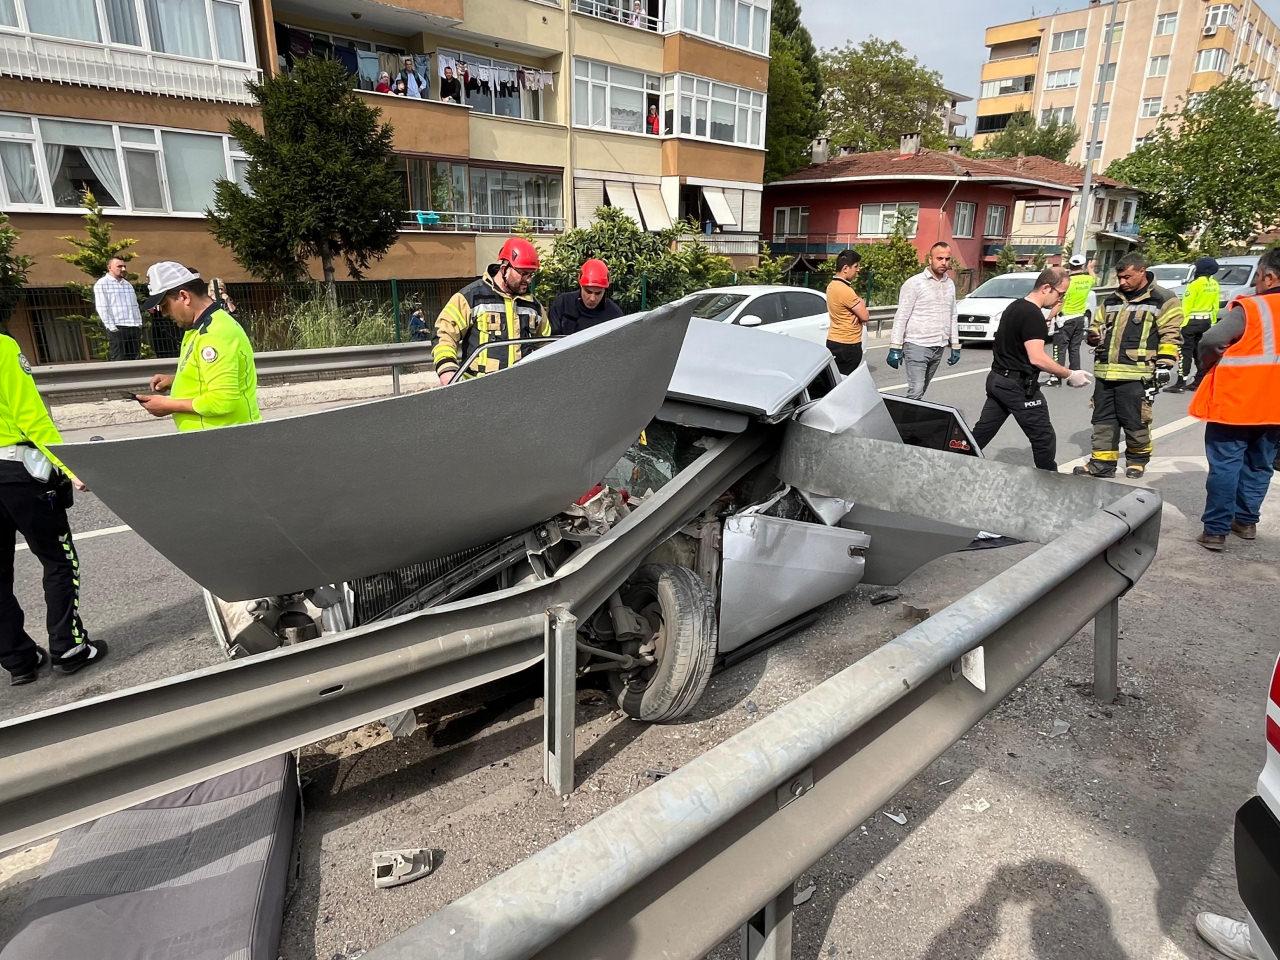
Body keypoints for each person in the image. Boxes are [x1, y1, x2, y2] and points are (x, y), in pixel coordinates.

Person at [0, 333, 107, 684]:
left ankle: (18, 659)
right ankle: (68, 647)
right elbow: (30, 415)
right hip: (18, 471)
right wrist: (70, 466)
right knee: (59, 560)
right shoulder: (3, 347)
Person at [1188, 247, 1280, 551]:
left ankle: (1215, 531)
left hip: (1237, 402)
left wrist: (1207, 364)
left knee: (1226, 464)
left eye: (1257, 277)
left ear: (1268, 277)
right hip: (1275, 407)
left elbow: (1212, 340)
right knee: (1260, 464)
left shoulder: (1253, 308)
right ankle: (1246, 521)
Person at [970, 266, 1092, 472]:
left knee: (982, 431)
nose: (1061, 299)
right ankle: (1049, 481)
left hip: (998, 380)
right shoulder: (1032, 315)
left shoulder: (1015, 307)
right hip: (1018, 386)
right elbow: (1037, 358)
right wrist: (1069, 373)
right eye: (1060, 293)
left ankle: (953, 460)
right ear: (1046, 288)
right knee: (1043, 436)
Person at [1073, 252, 1182, 480]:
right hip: (1106, 372)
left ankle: (1137, 460)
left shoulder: (1163, 299)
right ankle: (1102, 464)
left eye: (1127, 277)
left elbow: (1170, 335)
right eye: (1119, 277)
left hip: (1137, 374)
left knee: (1135, 421)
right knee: (1103, 421)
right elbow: (1097, 324)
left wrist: (1164, 364)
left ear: (1142, 271)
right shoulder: (1112, 299)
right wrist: (1093, 335)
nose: (1122, 282)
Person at [135, 263, 260, 431]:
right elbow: (209, 375)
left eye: (164, 305)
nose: (163, 313)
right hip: (216, 439)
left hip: (225, 439)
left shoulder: (214, 334)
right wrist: (176, 381)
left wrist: (168, 404)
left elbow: (222, 401)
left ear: (184, 296)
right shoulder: (200, 328)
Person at [433, 238, 550, 384]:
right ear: (504, 268)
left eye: (532, 274)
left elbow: (546, 344)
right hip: (478, 389)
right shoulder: (471, 296)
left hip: (521, 388)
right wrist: (447, 370)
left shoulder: (534, 306)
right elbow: (444, 334)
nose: (528, 280)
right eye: (523, 273)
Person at [887, 242, 961, 399]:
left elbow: (952, 315)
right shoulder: (915, 283)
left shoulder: (949, 284)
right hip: (916, 345)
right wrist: (895, 347)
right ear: (930, 259)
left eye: (947, 259)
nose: (943, 262)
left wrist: (955, 345)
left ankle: (911, 419)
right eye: (939, 258)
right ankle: (903, 422)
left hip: (938, 346)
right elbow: (902, 315)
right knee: (916, 389)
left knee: (922, 389)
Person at [1167, 256, 1221, 393]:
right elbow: (1215, 305)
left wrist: (1181, 324)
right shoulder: (1214, 284)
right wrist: (1212, 322)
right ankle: (1200, 380)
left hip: (1191, 322)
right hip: (1206, 322)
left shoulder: (1194, 284)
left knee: (1185, 352)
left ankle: (1180, 383)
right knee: (1199, 352)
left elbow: (1187, 305)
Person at [1046, 254, 1095, 386]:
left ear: (1070, 265)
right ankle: (1076, 376)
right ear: (1083, 265)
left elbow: (1059, 303)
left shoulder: (1067, 282)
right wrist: (1090, 268)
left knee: (1059, 349)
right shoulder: (1088, 280)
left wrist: (1049, 318)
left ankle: (1056, 378)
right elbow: (1094, 278)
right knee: (1074, 348)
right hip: (1080, 318)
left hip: (1065, 319)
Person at [549, 259, 624, 336]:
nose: (592, 298)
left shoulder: (614, 315)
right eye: (588, 292)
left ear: (605, 290)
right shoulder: (563, 304)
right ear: (580, 284)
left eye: (598, 293)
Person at [824, 249, 870, 375]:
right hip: (848, 344)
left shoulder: (831, 286)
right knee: (844, 382)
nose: (858, 270)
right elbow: (865, 316)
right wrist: (861, 303)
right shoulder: (845, 290)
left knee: (836, 378)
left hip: (834, 340)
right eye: (856, 266)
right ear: (845, 268)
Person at [94, 256, 143, 362]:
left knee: (135, 360)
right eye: (119, 266)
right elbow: (102, 307)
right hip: (117, 327)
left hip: (133, 327)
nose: (123, 269)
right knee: (118, 360)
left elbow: (134, 305)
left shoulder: (128, 285)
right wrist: (111, 327)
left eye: (124, 266)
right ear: (109, 267)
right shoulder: (102, 284)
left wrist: (138, 323)